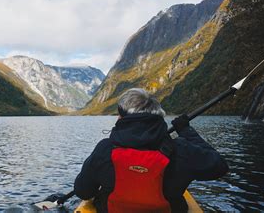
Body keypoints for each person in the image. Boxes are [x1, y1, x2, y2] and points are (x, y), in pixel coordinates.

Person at [74, 88, 229, 212]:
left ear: (122, 118)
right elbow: (220, 167)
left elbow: (83, 192)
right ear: (158, 117)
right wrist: (187, 131)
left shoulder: (104, 149)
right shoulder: (182, 149)